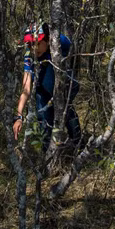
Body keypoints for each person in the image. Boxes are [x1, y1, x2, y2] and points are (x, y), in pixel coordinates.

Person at [13, 22, 82, 150]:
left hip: (65, 86)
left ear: (48, 40)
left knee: (66, 111)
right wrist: (19, 116)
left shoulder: (62, 43)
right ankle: (47, 152)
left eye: (37, 43)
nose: (34, 48)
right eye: (30, 44)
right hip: (43, 90)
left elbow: (73, 61)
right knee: (43, 117)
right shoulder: (29, 56)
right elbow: (26, 88)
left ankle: (78, 143)